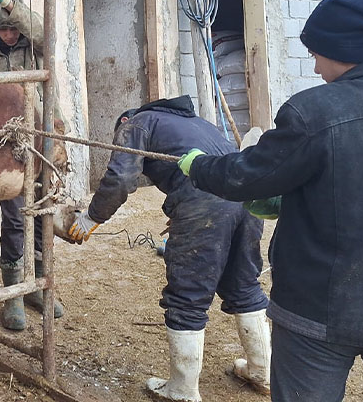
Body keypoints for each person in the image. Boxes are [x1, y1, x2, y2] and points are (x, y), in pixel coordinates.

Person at [178, 0, 363, 401]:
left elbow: (245, 175)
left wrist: (198, 165)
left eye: (316, 54)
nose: (315, 68)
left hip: (319, 309)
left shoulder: (314, 110)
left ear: (344, 47)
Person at [69, 95, 271, 401]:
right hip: (247, 201)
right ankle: (262, 371)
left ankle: (183, 390)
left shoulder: (135, 123)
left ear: (124, 121)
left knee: (187, 297)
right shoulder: (198, 122)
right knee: (243, 285)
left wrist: (91, 217)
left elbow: (121, 177)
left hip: (203, 203)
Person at [0, 0, 65, 331]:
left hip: (42, 140)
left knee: (42, 213)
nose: (8, 34)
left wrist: (9, 4)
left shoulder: (35, 50)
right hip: (5, 145)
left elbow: (45, 33)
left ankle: (38, 284)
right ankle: (13, 291)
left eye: (13, 28)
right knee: (14, 218)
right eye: (2, 29)